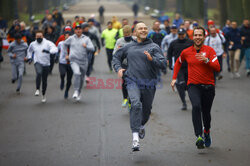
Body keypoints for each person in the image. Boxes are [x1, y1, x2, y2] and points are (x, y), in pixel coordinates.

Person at [112, 22, 167, 151]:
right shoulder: (128, 46)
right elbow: (116, 57)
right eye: (140, 28)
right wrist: (119, 68)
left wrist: (151, 59)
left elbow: (163, 64)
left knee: (146, 111)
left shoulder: (154, 47)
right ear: (135, 32)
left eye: (145, 28)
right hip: (132, 81)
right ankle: (135, 138)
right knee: (136, 104)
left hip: (149, 83)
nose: (143, 30)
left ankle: (141, 124)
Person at [171, 26, 220, 149]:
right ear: (192, 37)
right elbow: (178, 62)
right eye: (196, 35)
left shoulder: (210, 50)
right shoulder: (186, 52)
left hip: (208, 86)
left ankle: (207, 131)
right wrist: (174, 78)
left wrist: (207, 60)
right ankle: (199, 135)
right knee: (196, 106)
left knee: (206, 113)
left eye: (200, 35)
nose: (198, 37)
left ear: (204, 37)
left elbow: (217, 67)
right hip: (193, 85)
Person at [64, 25, 94, 101]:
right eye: (76, 29)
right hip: (74, 60)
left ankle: (79, 92)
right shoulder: (71, 38)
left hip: (83, 61)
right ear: (74, 31)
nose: (78, 30)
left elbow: (92, 48)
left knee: (81, 79)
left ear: (82, 30)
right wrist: (66, 54)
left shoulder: (86, 39)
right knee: (77, 73)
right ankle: (76, 90)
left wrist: (86, 46)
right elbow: (64, 44)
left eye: (79, 29)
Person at [27, 30, 58, 103]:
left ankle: (43, 94)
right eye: (37, 36)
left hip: (46, 63)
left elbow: (54, 48)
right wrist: (29, 58)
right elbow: (29, 51)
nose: (39, 38)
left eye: (40, 36)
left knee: (44, 80)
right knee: (39, 72)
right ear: (35, 37)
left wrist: (51, 51)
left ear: (43, 36)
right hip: (37, 62)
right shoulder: (33, 44)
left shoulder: (47, 43)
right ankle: (37, 89)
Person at [168, 28, 193, 110]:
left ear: (185, 34)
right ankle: (184, 102)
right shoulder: (173, 43)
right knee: (181, 84)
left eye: (182, 34)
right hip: (179, 67)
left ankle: (190, 96)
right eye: (180, 34)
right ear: (178, 35)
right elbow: (169, 53)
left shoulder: (190, 42)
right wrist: (170, 63)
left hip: (190, 67)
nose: (181, 36)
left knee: (189, 85)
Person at [113, 25, 134, 109]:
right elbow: (114, 54)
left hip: (133, 64)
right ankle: (125, 99)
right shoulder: (119, 41)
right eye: (125, 33)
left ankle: (130, 101)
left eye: (128, 33)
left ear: (131, 33)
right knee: (125, 82)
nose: (127, 35)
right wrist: (118, 50)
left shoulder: (135, 40)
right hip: (124, 65)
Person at [57, 31, 73, 99]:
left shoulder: (73, 44)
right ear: (64, 36)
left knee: (69, 80)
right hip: (62, 62)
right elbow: (57, 50)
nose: (68, 37)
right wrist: (56, 56)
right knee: (62, 73)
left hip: (71, 63)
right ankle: (62, 80)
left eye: (69, 36)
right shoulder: (61, 43)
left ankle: (66, 91)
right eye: (66, 36)